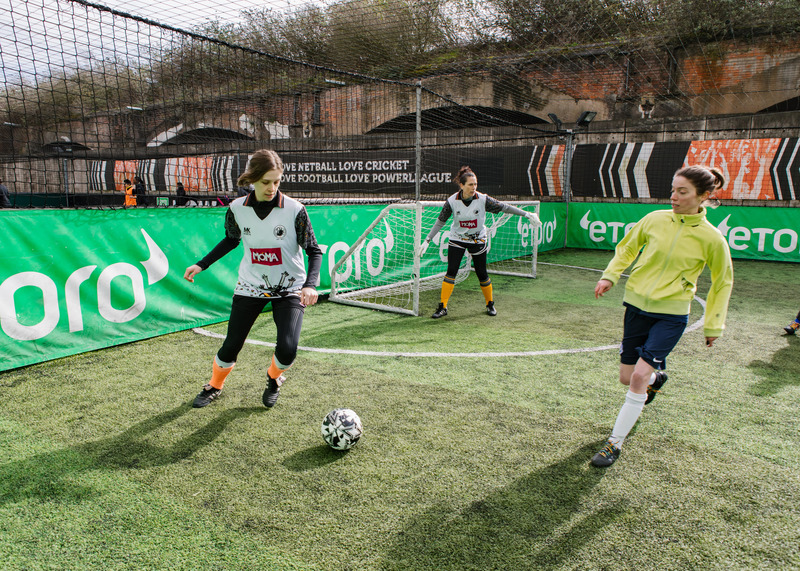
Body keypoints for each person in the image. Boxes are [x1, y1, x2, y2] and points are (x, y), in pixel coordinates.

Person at [590, 165, 734, 468]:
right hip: (636, 307)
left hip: (672, 315)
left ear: (703, 196)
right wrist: (610, 276)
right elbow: (627, 249)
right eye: (673, 190)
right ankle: (658, 377)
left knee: (638, 378)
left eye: (682, 192)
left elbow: (723, 281)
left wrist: (714, 325)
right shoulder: (654, 219)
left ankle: (614, 444)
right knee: (627, 378)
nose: (674, 197)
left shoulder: (712, 238)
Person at [184, 149, 322, 409]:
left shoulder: (295, 210)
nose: (272, 188)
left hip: (289, 288)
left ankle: (273, 378)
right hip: (250, 286)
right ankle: (214, 385)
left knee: (288, 349)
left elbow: (314, 250)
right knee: (231, 344)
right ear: (252, 180)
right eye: (265, 182)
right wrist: (202, 264)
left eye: (277, 181)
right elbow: (231, 239)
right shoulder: (237, 208)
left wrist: (310, 284)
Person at [421, 166, 541, 318]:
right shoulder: (451, 201)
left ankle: (490, 303)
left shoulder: (483, 199)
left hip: (478, 239)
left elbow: (505, 207)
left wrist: (526, 214)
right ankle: (443, 307)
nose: (474, 187)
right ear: (462, 185)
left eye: (475, 184)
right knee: (451, 271)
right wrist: (427, 240)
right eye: (470, 184)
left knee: (481, 273)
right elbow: (440, 222)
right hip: (457, 239)